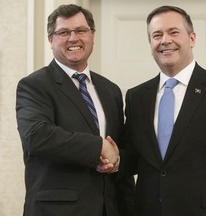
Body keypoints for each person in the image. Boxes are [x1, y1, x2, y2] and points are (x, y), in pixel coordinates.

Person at [122, 5, 206, 216]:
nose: (165, 40)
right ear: (150, 44)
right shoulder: (136, 97)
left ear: (192, 38)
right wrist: (104, 155)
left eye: (174, 32)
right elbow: (132, 158)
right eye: (157, 35)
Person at [16, 4, 135, 216]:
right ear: (50, 40)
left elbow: (120, 147)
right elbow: (37, 136)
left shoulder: (111, 90)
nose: (73, 38)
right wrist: (97, 147)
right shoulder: (34, 85)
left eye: (80, 30)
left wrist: (116, 162)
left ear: (92, 35)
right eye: (63, 32)